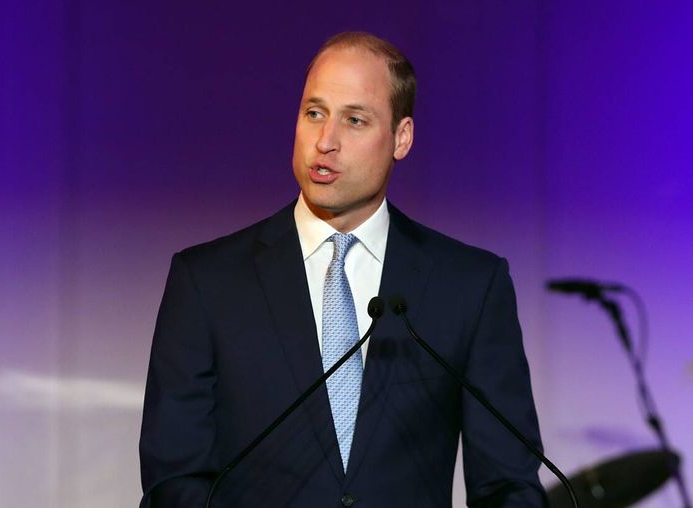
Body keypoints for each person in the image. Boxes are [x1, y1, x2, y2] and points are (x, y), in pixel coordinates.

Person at [139, 31, 546, 507]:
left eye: (354, 120)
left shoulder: (470, 287)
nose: (325, 141)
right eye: (314, 113)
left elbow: (508, 485)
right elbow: (175, 482)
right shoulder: (206, 282)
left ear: (402, 137)